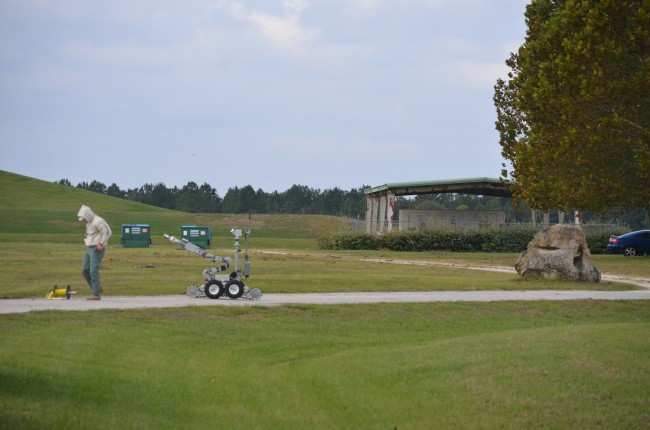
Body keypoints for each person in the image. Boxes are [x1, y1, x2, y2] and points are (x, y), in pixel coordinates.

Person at [77, 205, 112, 300]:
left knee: (93, 270)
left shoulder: (98, 221)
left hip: (97, 249)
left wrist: (101, 243)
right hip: (89, 248)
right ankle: (97, 287)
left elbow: (108, 232)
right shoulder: (89, 222)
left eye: (84, 218)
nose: (83, 220)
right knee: (84, 270)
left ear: (87, 215)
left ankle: (96, 294)